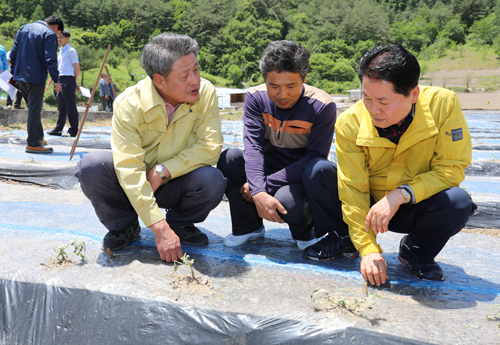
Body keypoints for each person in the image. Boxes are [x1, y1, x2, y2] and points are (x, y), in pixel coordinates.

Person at [302, 44, 475, 284]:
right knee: (318, 171)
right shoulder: (349, 122)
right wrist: (368, 248)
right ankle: (345, 238)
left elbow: (451, 168)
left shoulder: (443, 105)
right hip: (368, 207)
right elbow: (353, 189)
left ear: (413, 94)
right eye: (367, 98)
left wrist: (401, 195)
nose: (374, 110)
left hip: (413, 203)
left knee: (457, 202)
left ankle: (416, 249)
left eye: (384, 101)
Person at [74, 33, 225, 263]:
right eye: (185, 75)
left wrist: (163, 170)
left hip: (175, 181)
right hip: (135, 185)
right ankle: (125, 225)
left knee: (212, 179)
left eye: (196, 69)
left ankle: (181, 223)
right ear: (160, 80)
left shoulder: (205, 93)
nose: (195, 80)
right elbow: (129, 169)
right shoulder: (128, 105)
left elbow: (211, 147)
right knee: (91, 166)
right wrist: (158, 228)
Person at [217, 40, 338, 250]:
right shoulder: (256, 98)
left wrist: (263, 187)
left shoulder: (322, 106)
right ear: (264, 80)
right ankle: (248, 227)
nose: (282, 95)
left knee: (288, 202)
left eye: (291, 86)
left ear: (304, 78)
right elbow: (253, 147)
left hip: (298, 176)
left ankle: (305, 233)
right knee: (231, 158)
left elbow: (314, 158)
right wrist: (258, 191)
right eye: (274, 86)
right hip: (267, 165)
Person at [10, 15, 63, 153]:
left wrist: (13, 74)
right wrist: (56, 81)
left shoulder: (23, 28)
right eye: (58, 34)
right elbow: (51, 59)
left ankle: (38, 137)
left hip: (20, 75)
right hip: (35, 77)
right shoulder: (49, 33)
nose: (57, 37)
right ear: (56, 27)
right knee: (35, 109)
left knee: (33, 107)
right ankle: (32, 143)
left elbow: (13, 54)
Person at [46, 29, 80, 137]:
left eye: (61, 37)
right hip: (60, 79)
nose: (59, 39)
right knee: (61, 105)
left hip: (68, 79)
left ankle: (73, 129)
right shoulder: (60, 51)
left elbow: (77, 68)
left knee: (70, 106)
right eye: (58, 37)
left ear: (67, 38)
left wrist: (75, 82)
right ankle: (58, 129)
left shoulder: (71, 51)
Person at [0, 44, 8, 109]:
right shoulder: (1, 48)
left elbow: (5, 61)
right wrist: (5, 70)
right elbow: (4, 61)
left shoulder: (2, 49)